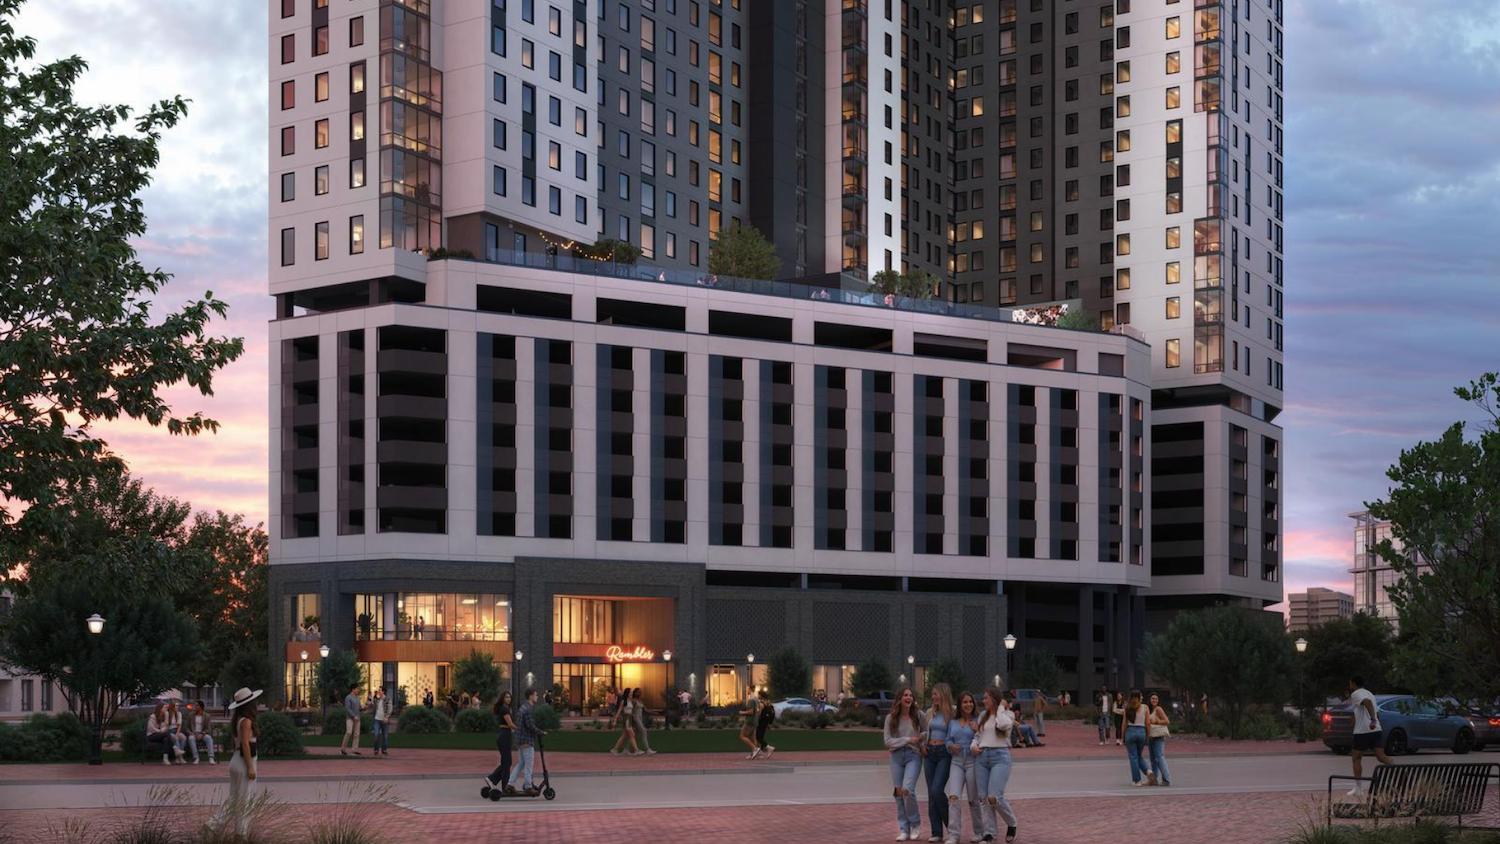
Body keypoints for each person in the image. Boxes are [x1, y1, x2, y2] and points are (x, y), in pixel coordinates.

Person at [209, 687, 262, 837]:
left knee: (235, 798)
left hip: (237, 760)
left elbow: (237, 743)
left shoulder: (237, 721)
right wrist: (250, 767)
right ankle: (240, 833)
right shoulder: (246, 722)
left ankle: (215, 825)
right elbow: (245, 744)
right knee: (245, 799)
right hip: (244, 762)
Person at [971, 688, 1019, 844]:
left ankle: (1012, 823)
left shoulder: (1007, 715)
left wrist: (1000, 707)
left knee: (994, 797)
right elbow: (978, 735)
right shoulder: (982, 716)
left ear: (995, 699)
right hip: (982, 757)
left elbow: (1003, 725)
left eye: (986, 698)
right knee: (983, 798)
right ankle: (989, 833)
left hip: (1000, 757)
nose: (983, 701)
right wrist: (973, 745)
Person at [943, 692, 989, 844]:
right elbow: (948, 739)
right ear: (960, 704)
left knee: (972, 800)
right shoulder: (953, 722)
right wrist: (950, 746)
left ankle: (979, 832)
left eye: (970, 702)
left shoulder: (978, 720)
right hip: (956, 762)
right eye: (965, 702)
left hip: (972, 762)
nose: (968, 704)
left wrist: (978, 730)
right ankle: (953, 835)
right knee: (953, 798)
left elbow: (985, 738)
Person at [884, 686, 923, 842]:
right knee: (899, 793)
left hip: (913, 755)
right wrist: (907, 739)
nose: (909, 698)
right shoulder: (890, 718)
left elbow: (926, 731)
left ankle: (915, 824)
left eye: (911, 695)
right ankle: (903, 829)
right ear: (899, 698)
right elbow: (887, 741)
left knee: (908, 790)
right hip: (896, 757)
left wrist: (921, 738)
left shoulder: (919, 715)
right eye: (906, 695)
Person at [1346, 675, 1393, 796]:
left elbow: (1366, 703)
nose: (1349, 685)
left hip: (1363, 732)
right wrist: (1374, 721)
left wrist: (1371, 720)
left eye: (1350, 683)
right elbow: (1376, 712)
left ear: (1354, 683)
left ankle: (1358, 788)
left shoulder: (1356, 694)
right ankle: (1402, 774)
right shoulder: (1370, 693)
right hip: (1376, 730)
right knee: (1381, 757)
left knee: (1356, 758)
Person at [923, 683, 955, 842]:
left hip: (944, 754)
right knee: (931, 794)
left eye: (936, 694)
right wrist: (922, 745)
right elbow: (924, 731)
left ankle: (953, 828)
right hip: (929, 753)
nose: (933, 697)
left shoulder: (953, 712)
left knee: (937, 790)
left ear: (943, 694)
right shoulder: (930, 712)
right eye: (932, 694)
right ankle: (936, 832)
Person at [507, 689, 547, 796]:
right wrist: (540, 732)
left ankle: (510, 784)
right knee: (529, 765)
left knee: (521, 763)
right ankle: (528, 787)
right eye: (535, 695)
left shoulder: (522, 708)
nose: (537, 697)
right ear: (530, 696)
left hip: (520, 740)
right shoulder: (528, 709)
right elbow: (530, 726)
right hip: (527, 741)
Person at [1114, 690, 1153, 786]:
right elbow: (1147, 723)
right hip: (1141, 731)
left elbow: (1124, 724)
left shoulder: (1127, 708)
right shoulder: (1145, 707)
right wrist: (1149, 734)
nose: (1142, 697)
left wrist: (1122, 737)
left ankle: (1137, 780)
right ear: (1138, 697)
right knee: (1138, 755)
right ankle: (1148, 771)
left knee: (1133, 757)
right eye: (1141, 696)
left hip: (1130, 731)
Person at [485, 691, 517, 795]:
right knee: (507, 761)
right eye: (506, 697)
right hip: (504, 735)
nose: (509, 699)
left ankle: (495, 780)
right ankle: (499, 782)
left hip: (504, 735)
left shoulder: (503, 708)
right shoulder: (504, 709)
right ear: (502, 698)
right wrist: (520, 729)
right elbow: (511, 724)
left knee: (506, 762)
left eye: (510, 697)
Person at [1147, 693, 1172, 787]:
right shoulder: (1150, 710)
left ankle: (1166, 779)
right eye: (1152, 698)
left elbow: (1167, 721)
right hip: (1151, 736)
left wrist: (1156, 721)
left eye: (1156, 699)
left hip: (1158, 736)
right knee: (1153, 759)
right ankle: (1155, 779)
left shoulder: (1158, 709)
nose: (1154, 700)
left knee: (1160, 757)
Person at [609, 687, 642, 756]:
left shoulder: (631, 701)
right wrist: (615, 720)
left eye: (632, 692)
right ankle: (636, 750)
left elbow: (633, 710)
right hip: (626, 718)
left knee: (624, 736)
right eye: (630, 692)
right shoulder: (624, 701)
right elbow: (619, 711)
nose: (631, 693)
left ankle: (615, 749)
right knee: (632, 734)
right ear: (627, 693)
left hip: (630, 718)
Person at [630, 688, 659, 755]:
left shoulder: (640, 701)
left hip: (640, 718)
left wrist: (653, 712)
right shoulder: (634, 701)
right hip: (636, 718)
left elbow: (646, 710)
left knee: (634, 735)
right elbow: (631, 710)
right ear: (635, 693)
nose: (639, 693)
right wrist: (633, 718)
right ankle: (647, 749)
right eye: (638, 692)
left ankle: (627, 749)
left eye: (640, 692)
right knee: (644, 732)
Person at [189, 700, 216, 765]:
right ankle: (196, 757)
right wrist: (191, 733)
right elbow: (186, 727)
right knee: (191, 738)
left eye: (196, 705)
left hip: (203, 733)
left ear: (201, 707)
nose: (195, 707)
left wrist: (202, 734)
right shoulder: (191, 715)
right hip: (194, 733)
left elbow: (208, 728)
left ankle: (211, 757)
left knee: (208, 738)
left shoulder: (206, 716)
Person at [738, 686, 762, 759]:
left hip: (750, 721)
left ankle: (755, 749)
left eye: (747, 689)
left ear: (750, 690)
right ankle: (753, 754)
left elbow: (751, 711)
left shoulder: (751, 700)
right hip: (755, 720)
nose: (746, 690)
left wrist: (742, 712)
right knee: (753, 738)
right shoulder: (756, 699)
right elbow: (758, 710)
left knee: (742, 736)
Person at [340, 685, 363, 756]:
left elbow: (359, 707)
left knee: (356, 734)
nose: (358, 690)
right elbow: (347, 708)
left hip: (357, 718)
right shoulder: (348, 698)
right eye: (357, 689)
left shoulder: (358, 698)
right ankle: (343, 748)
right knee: (349, 732)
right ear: (353, 689)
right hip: (350, 718)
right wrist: (354, 716)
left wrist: (364, 708)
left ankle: (354, 749)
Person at [754, 688, 776, 759]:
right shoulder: (768, 702)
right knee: (761, 736)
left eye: (758, 695)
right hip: (766, 721)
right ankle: (763, 751)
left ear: (761, 695)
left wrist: (756, 714)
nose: (758, 696)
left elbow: (759, 714)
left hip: (761, 721)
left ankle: (768, 747)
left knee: (758, 736)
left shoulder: (761, 703)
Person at [372, 687, 391, 758]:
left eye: (379, 690)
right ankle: (376, 749)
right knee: (376, 734)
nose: (378, 692)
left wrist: (387, 717)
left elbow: (390, 708)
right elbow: (374, 708)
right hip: (377, 719)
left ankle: (384, 749)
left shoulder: (387, 699)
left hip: (384, 720)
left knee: (385, 736)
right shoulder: (377, 699)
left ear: (383, 692)